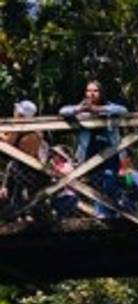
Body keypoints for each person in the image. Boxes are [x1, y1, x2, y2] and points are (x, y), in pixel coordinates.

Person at [59, 80, 128, 218]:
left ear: (101, 93)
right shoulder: (81, 109)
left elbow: (123, 110)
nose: (91, 93)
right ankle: (101, 215)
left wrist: (98, 109)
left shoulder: (109, 107)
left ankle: (111, 215)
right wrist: (80, 109)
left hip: (110, 154)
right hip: (89, 156)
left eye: (95, 91)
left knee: (110, 181)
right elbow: (63, 111)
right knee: (95, 185)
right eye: (89, 90)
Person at [0, 100, 47, 218]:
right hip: (34, 167)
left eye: (16, 110)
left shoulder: (20, 126)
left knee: (16, 194)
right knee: (26, 194)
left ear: (21, 114)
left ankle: (17, 215)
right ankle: (27, 215)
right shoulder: (36, 128)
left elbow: (8, 143)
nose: (14, 112)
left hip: (22, 166)